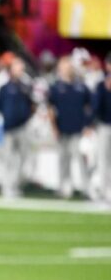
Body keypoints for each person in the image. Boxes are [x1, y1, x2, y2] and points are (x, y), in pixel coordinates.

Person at [47, 56, 93, 199]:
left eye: (68, 66)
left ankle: (86, 188)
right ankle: (64, 187)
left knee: (80, 159)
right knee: (63, 159)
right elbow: (50, 109)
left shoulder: (81, 87)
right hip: (62, 129)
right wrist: (54, 127)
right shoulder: (55, 87)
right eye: (64, 66)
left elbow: (89, 107)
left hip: (78, 129)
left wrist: (87, 125)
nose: (67, 68)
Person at [0, 56, 35, 199]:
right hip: (8, 128)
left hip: (22, 127)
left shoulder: (26, 86)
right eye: (18, 67)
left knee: (23, 159)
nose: (20, 70)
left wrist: (27, 118)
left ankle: (16, 185)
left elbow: (32, 105)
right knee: (8, 159)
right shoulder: (4, 88)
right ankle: (7, 187)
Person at [93, 55, 111, 202]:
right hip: (104, 125)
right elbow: (95, 106)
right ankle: (104, 190)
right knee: (103, 159)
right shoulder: (101, 84)